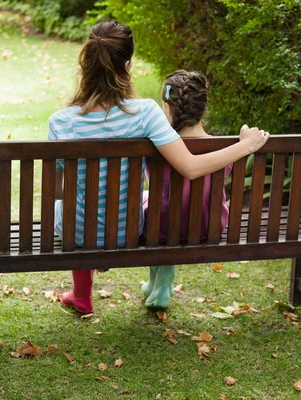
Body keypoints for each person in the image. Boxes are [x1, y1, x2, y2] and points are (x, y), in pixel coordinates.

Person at [49, 21, 269, 314]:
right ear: (127, 65)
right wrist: (246, 146)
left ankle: (81, 294)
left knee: (70, 208)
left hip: (77, 233)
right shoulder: (147, 113)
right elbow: (190, 167)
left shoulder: (60, 121)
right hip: (125, 231)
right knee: (127, 204)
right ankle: (86, 288)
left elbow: (57, 190)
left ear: (86, 62)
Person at [141, 70, 232, 308]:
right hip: (207, 225)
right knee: (174, 207)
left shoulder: (156, 146)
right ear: (202, 107)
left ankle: (158, 283)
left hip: (158, 227)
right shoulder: (223, 150)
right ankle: (158, 284)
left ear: (168, 108)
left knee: (156, 209)